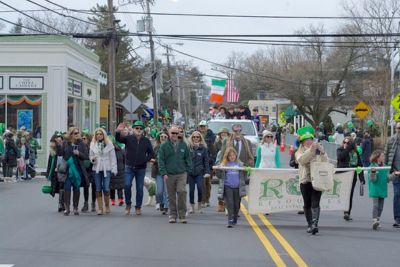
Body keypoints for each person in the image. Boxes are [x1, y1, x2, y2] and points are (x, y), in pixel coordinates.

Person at [116, 121, 154, 216]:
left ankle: (138, 207)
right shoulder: (128, 138)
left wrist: (145, 159)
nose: (139, 130)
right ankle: (128, 205)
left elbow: (151, 153)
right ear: (133, 129)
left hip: (141, 168)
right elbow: (118, 139)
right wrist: (118, 131)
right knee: (127, 185)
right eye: (137, 128)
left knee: (140, 188)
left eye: (141, 128)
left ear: (143, 130)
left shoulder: (146, 140)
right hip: (129, 167)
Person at [295, 126, 328, 235]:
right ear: (303, 142)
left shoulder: (318, 149)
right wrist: (311, 150)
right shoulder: (299, 152)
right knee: (307, 204)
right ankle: (309, 223)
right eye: (307, 140)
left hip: (317, 180)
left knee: (315, 203)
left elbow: (325, 163)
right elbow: (302, 160)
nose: (309, 141)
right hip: (305, 180)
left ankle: (315, 224)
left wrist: (323, 153)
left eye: (311, 139)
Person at [158, 125, 192, 223]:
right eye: (173, 133)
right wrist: (163, 172)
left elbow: (188, 158)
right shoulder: (164, 146)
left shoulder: (183, 145)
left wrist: (188, 170)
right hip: (169, 174)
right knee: (171, 195)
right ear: (169, 133)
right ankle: (172, 215)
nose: (175, 135)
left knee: (182, 192)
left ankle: (182, 215)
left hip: (182, 173)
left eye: (177, 133)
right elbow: (161, 160)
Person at [58, 127, 89, 216]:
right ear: (71, 134)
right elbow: (60, 154)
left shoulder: (81, 143)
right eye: (75, 133)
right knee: (67, 187)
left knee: (76, 188)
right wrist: (59, 145)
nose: (77, 134)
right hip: (68, 170)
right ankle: (67, 208)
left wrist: (79, 153)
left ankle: (75, 207)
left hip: (78, 169)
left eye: (77, 133)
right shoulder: (65, 143)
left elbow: (86, 156)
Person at [90, 128, 117, 215]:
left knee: (106, 187)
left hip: (107, 168)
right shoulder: (93, 144)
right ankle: (100, 208)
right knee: (98, 188)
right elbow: (90, 156)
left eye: (100, 134)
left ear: (104, 135)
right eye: (97, 134)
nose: (99, 136)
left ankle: (107, 206)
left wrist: (114, 169)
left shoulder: (109, 144)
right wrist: (92, 159)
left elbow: (113, 157)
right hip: (96, 168)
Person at [217, 147, 247, 228]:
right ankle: (230, 220)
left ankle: (235, 217)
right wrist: (219, 169)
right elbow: (219, 176)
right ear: (227, 157)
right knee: (230, 204)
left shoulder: (240, 164)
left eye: (233, 155)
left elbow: (245, 177)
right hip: (228, 186)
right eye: (230, 156)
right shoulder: (224, 165)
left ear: (236, 155)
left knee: (236, 205)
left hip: (237, 187)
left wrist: (246, 170)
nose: (232, 157)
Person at [342, 138, 365, 221]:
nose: (346, 144)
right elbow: (341, 157)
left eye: (348, 143)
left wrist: (362, 178)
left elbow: (360, 165)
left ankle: (347, 212)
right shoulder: (340, 150)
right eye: (344, 142)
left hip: (352, 176)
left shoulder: (356, 153)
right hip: (343, 176)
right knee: (344, 194)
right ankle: (344, 210)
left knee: (350, 195)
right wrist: (347, 149)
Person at [188, 131, 210, 214]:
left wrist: (207, 171)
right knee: (191, 190)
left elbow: (206, 161)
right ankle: (192, 206)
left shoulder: (203, 148)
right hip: (190, 172)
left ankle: (199, 204)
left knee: (200, 188)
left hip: (199, 172)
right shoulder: (189, 147)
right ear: (192, 138)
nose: (196, 138)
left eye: (197, 137)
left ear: (200, 138)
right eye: (194, 137)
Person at [384, 121, 400, 228]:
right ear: (396, 129)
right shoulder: (391, 140)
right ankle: (397, 218)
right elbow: (386, 156)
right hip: (396, 173)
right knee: (397, 195)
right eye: (399, 128)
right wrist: (387, 171)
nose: (399, 130)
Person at [368, 150, 390, 230]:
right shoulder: (372, 166)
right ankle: (374, 221)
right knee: (376, 205)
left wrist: (395, 175)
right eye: (382, 156)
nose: (384, 157)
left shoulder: (385, 166)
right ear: (378, 157)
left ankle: (377, 220)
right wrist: (373, 173)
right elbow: (373, 180)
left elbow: (387, 179)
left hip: (383, 188)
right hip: (375, 189)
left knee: (381, 207)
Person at [198, 120, 216, 208]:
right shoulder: (196, 136)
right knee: (201, 183)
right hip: (198, 164)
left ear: (207, 127)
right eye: (201, 126)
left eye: (204, 126)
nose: (202, 128)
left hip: (208, 164)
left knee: (207, 183)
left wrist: (212, 162)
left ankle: (207, 199)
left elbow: (214, 152)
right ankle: (202, 200)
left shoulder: (212, 137)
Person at [152, 131, 169, 215]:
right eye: (161, 136)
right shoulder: (156, 147)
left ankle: (166, 206)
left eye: (165, 137)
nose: (163, 138)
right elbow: (151, 157)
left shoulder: (170, 147)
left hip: (167, 172)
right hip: (158, 171)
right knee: (159, 191)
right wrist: (153, 160)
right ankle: (160, 202)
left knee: (166, 191)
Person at [214, 128, 230, 212]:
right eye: (222, 133)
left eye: (225, 133)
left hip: (231, 172)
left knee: (230, 189)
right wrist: (218, 166)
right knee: (221, 188)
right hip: (223, 171)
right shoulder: (219, 151)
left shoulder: (232, 150)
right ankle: (221, 204)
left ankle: (228, 205)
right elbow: (217, 160)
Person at [81, 132, 96, 213]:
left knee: (94, 187)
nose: (83, 140)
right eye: (82, 138)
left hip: (92, 169)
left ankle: (93, 203)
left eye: (84, 139)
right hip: (85, 170)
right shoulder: (82, 148)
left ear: (88, 139)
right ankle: (86, 203)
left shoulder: (92, 147)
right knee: (86, 187)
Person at [110, 136, 125, 207]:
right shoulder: (120, 150)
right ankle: (116, 200)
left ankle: (117, 200)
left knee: (116, 187)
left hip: (116, 170)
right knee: (115, 187)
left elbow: (125, 160)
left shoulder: (120, 150)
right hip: (116, 170)